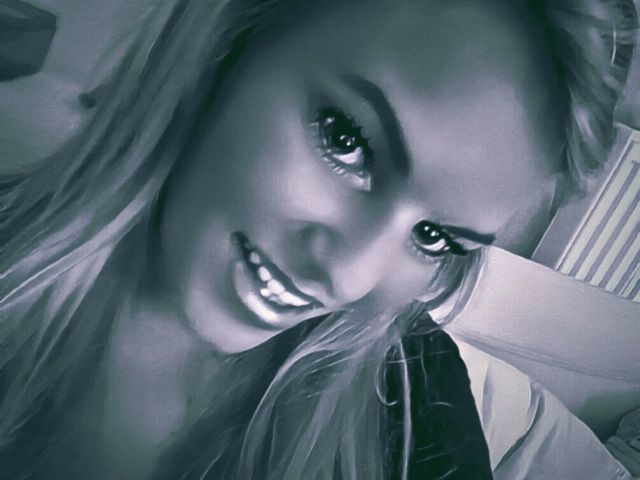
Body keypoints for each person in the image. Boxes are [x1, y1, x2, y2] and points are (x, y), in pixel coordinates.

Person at [0, 0, 636, 478]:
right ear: (228, 41)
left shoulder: (417, 399)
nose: (350, 278)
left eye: (434, 237)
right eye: (345, 140)